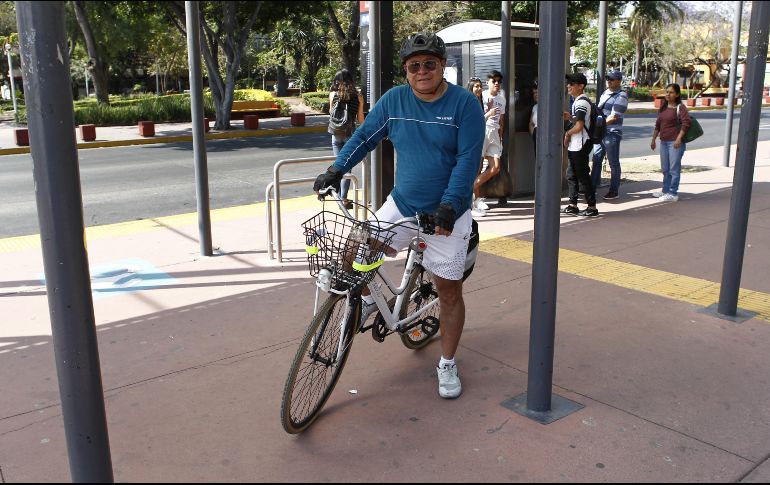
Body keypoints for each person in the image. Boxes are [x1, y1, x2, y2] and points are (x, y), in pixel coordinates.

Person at [313, 32, 484, 400]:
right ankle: (372, 296)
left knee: (448, 291)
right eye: (414, 66)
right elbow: (363, 137)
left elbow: (468, 160)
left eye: (429, 64)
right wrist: (336, 169)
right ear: (406, 71)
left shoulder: (465, 105)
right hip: (403, 204)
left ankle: (448, 363)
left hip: (446, 214)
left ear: (442, 67)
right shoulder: (395, 99)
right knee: (354, 251)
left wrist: (451, 204)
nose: (422, 72)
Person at [562, 72, 599, 217]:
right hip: (577, 144)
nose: (569, 86)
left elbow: (579, 127)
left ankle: (592, 207)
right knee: (571, 174)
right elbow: (579, 123)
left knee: (582, 175)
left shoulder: (581, 102)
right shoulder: (579, 101)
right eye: (568, 83)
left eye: (572, 84)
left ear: (581, 86)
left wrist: (567, 134)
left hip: (580, 144)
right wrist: (570, 117)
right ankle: (573, 205)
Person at [471, 70, 506, 217]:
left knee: (495, 167)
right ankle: (476, 199)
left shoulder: (502, 99)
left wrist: (501, 135)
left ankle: (470, 188)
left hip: (495, 133)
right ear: (488, 83)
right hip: (482, 131)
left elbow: (502, 119)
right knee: (477, 167)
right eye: (494, 81)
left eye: (499, 81)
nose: (497, 83)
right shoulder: (481, 95)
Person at [329, 69, 365, 209]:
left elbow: (330, 114)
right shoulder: (357, 96)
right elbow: (360, 119)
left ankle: (337, 197)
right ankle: (343, 199)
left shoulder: (333, 95)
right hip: (350, 134)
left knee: (338, 166)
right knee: (347, 168)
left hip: (335, 134)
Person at [591, 70, 628, 200]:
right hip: (601, 132)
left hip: (611, 132)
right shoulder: (605, 93)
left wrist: (598, 126)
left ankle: (614, 190)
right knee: (596, 160)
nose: (609, 81)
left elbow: (614, 116)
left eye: (612, 79)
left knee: (613, 162)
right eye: (608, 79)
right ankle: (592, 187)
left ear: (619, 81)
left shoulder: (621, 96)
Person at [650, 83, 690, 202]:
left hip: (675, 143)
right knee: (665, 169)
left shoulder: (680, 107)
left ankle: (673, 193)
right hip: (664, 142)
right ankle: (665, 190)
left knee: (674, 168)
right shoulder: (663, 106)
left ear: (677, 94)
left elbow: (686, 123)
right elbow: (658, 125)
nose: (668, 94)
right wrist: (653, 140)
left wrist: (679, 138)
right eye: (667, 92)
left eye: (671, 92)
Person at [529, 84, 538, 155]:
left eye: (537, 92)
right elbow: (531, 123)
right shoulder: (535, 107)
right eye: (534, 93)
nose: (535, 95)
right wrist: (533, 134)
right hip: (536, 133)